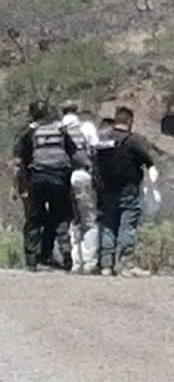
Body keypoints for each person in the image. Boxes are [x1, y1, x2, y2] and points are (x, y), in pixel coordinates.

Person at [12, 100, 91, 272]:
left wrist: (19, 186)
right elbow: (75, 154)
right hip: (59, 179)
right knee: (59, 217)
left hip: (36, 180)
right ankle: (63, 254)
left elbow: (19, 162)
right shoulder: (61, 131)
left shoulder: (29, 133)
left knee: (34, 219)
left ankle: (33, 260)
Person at [94, 106, 157, 278]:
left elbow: (95, 165)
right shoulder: (132, 141)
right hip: (128, 190)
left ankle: (106, 265)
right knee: (127, 226)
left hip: (106, 190)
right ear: (129, 121)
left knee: (108, 226)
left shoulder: (102, 141)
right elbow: (148, 160)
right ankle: (125, 264)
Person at [60, 101, 101, 274]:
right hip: (82, 175)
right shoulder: (87, 127)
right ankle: (90, 262)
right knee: (89, 220)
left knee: (72, 219)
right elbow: (96, 150)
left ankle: (75, 262)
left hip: (61, 177)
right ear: (77, 111)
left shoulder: (57, 128)